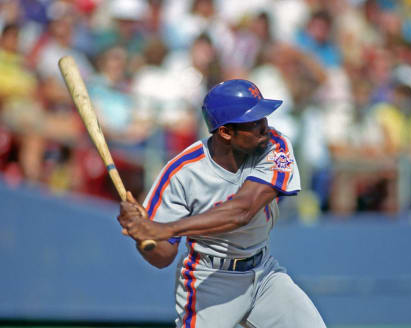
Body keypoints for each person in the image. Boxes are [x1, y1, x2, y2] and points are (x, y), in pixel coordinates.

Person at [117, 79, 327, 327]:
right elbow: (162, 256)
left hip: (264, 274)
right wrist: (141, 235)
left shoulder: (274, 146)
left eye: (264, 118)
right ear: (226, 132)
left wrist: (165, 228)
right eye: (254, 122)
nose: (265, 127)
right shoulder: (181, 173)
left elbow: (242, 210)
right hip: (210, 281)